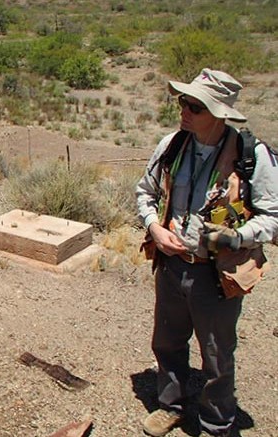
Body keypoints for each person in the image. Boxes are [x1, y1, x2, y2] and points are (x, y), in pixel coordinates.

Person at [136, 69, 278, 437]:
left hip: (215, 275)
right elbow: (145, 193)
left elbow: (273, 218)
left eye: (194, 106)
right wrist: (154, 228)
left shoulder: (252, 157)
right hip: (170, 265)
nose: (184, 110)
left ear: (219, 113)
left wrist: (236, 237)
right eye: (183, 102)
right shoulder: (171, 145)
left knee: (216, 354)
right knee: (167, 340)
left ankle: (217, 423)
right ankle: (172, 406)